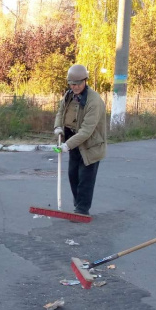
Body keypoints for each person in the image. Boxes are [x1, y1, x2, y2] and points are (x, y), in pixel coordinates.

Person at [53, 64, 107, 216]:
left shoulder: (94, 101)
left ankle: (82, 210)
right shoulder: (69, 95)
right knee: (73, 175)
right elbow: (61, 111)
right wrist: (58, 127)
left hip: (90, 144)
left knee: (85, 179)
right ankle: (78, 206)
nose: (74, 86)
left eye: (77, 83)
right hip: (72, 141)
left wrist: (66, 146)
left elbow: (86, 131)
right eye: (71, 83)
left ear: (85, 81)